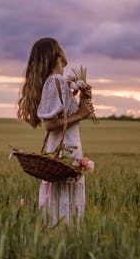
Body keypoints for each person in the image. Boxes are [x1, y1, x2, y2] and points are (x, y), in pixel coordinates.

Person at [18, 37, 94, 225]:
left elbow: (72, 114)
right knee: (64, 204)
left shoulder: (59, 81)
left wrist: (85, 96)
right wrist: (81, 115)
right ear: (56, 53)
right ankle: (63, 240)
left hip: (66, 148)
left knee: (62, 200)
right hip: (64, 149)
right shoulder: (55, 81)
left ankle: (57, 241)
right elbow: (50, 124)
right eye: (61, 47)